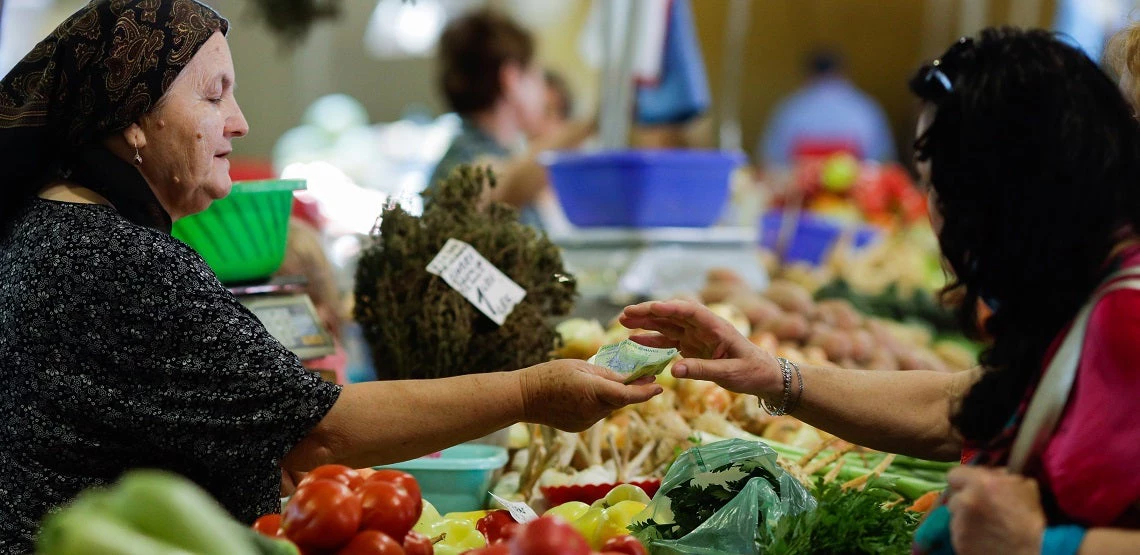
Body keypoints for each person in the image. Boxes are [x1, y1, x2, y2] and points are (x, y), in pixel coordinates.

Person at [0, 1, 661, 551]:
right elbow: (322, 429)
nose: (240, 122)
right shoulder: (124, 262)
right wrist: (532, 391)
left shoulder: (50, 228)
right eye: (214, 96)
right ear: (133, 120)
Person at [623, 28, 1140, 554]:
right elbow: (965, 403)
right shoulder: (1075, 295)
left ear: (998, 196)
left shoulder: (1127, 314)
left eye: (935, 185)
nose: (933, 215)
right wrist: (773, 376)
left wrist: (1040, 545)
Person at [427, 9, 592, 229]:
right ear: (511, 79)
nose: (542, 90)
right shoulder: (464, 159)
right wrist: (591, 123)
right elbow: (501, 184)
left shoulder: (498, 151)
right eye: (536, 75)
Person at [758, 49, 895, 167]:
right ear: (843, 72)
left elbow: (770, 160)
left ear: (807, 75)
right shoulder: (865, 108)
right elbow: (883, 159)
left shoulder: (791, 108)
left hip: (802, 193)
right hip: (853, 192)